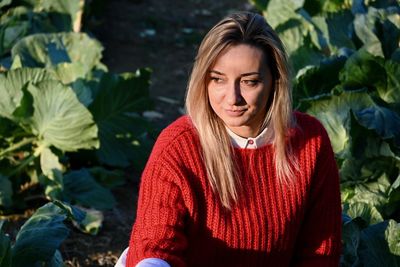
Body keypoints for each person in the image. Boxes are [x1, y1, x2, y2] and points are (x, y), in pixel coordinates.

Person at [119, 11, 342, 267]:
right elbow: (156, 245)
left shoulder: (310, 142)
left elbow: (320, 252)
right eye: (218, 79)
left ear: (275, 82)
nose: (232, 97)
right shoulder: (178, 146)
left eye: (249, 82)